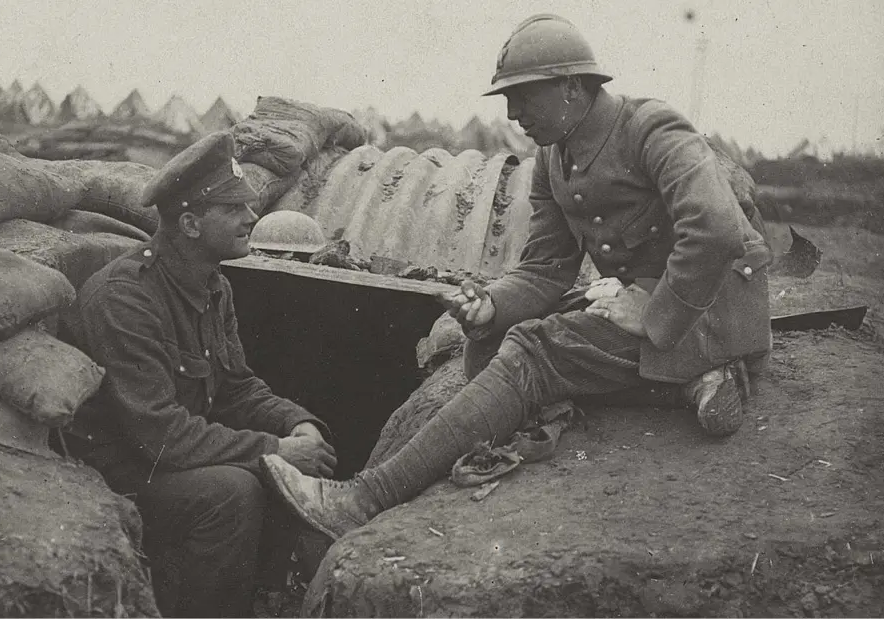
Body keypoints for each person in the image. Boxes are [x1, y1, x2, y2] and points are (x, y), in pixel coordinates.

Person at [260, 13, 773, 541]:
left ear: (573, 87)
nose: (513, 112)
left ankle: (363, 500)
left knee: (536, 352)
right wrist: (490, 305)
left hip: (714, 307)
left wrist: (655, 312)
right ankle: (694, 382)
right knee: (515, 336)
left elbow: (715, 230)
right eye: (508, 98)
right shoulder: (554, 158)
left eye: (526, 95)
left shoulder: (652, 129)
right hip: (657, 303)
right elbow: (545, 270)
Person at [62, 131, 337, 617]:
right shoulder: (125, 298)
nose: (252, 218)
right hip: (117, 469)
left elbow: (237, 388)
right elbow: (159, 434)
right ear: (190, 223)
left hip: (174, 456)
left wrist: (299, 425)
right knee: (231, 493)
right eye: (234, 209)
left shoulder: (214, 287)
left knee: (293, 469)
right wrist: (275, 451)